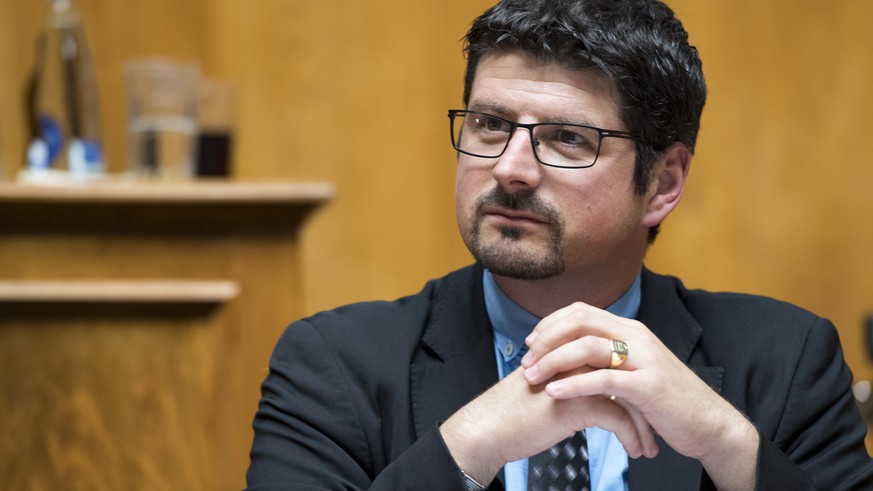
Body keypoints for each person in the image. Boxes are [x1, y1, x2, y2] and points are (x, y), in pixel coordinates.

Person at [246, 0, 873, 489]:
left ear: (662, 182)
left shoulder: (786, 362)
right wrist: (473, 443)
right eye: (490, 125)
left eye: (568, 138)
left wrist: (727, 444)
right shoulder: (333, 365)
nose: (511, 168)